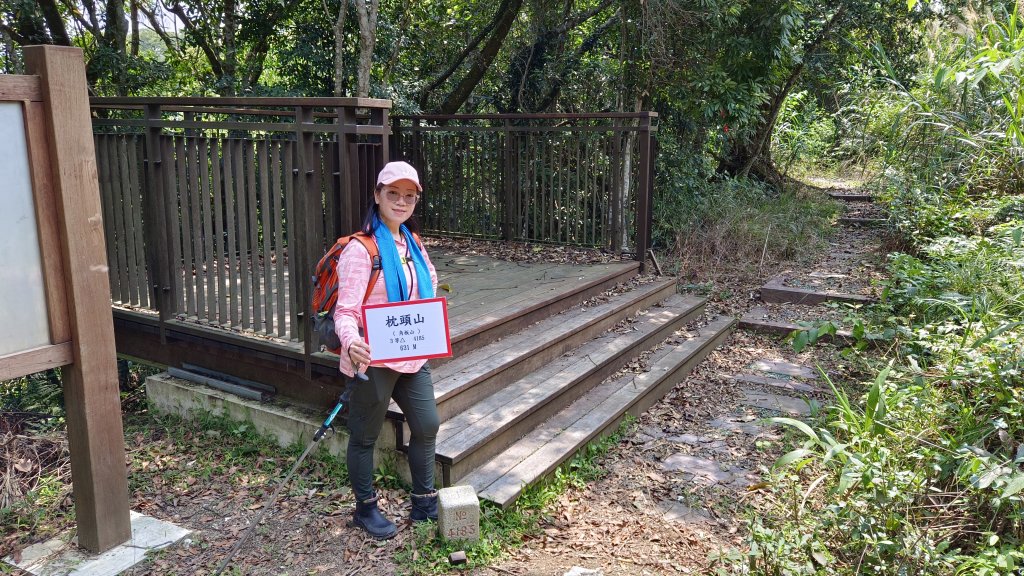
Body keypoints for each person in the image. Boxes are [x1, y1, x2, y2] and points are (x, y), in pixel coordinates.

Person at [332, 161, 440, 539]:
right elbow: (344, 310)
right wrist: (351, 340)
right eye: (392, 193)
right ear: (377, 195)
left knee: (427, 425)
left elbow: (426, 288)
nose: (401, 202)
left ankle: (424, 500)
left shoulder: (414, 243)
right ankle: (365, 509)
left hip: (412, 353)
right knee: (365, 436)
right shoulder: (361, 249)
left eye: (408, 196)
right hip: (372, 358)